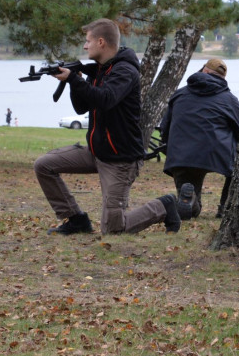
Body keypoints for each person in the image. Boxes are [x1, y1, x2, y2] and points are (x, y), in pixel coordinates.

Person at [33, 18, 181, 235]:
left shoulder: (124, 71)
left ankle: (163, 207)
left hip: (120, 160)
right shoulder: (101, 70)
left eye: (87, 41)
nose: (85, 46)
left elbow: (106, 99)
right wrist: (77, 79)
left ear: (101, 42)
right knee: (44, 165)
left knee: (113, 229)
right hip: (96, 152)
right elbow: (82, 107)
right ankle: (76, 220)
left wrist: (74, 80)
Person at [159, 57, 239, 220]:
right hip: (215, 153)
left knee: (189, 195)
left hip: (180, 154)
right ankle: (226, 208)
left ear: (204, 70)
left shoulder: (179, 94)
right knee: (238, 168)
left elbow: (164, 128)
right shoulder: (229, 99)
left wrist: (171, 148)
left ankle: (190, 202)